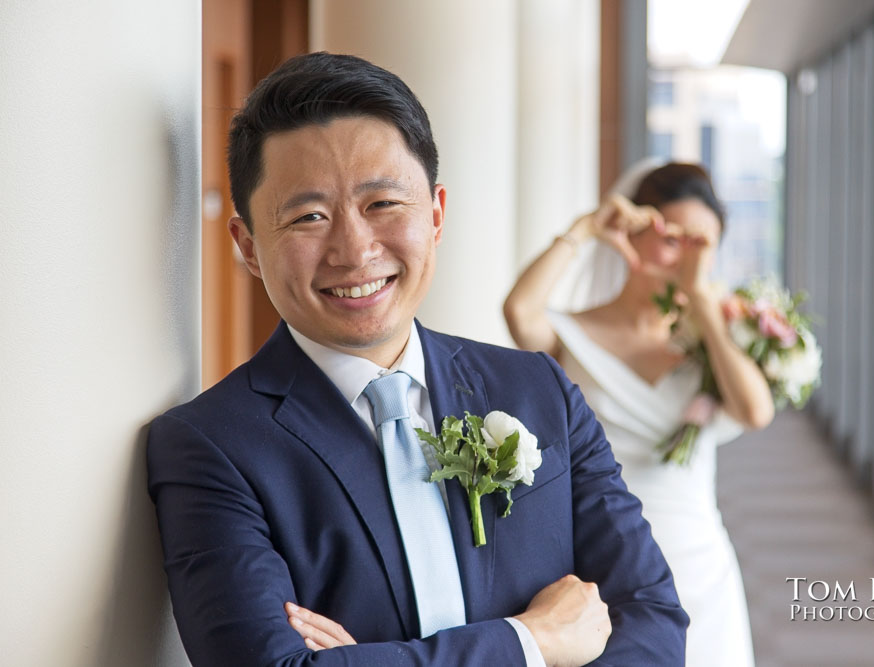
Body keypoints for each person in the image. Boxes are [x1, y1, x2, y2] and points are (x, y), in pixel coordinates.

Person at [146, 53, 687, 667]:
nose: (354, 250)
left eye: (382, 204)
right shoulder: (208, 446)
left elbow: (650, 612)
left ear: (435, 215)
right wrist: (530, 642)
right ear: (247, 245)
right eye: (309, 217)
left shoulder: (538, 388)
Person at [504, 161, 774, 667]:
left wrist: (700, 301)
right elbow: (520, 312)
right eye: (676, 239)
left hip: (698, 559)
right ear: (638, 230)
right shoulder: (574, 334)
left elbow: (756, 412)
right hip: (604, 556)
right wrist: (585, 230)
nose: (688, 257)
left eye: (704, 245)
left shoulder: (709, 342)